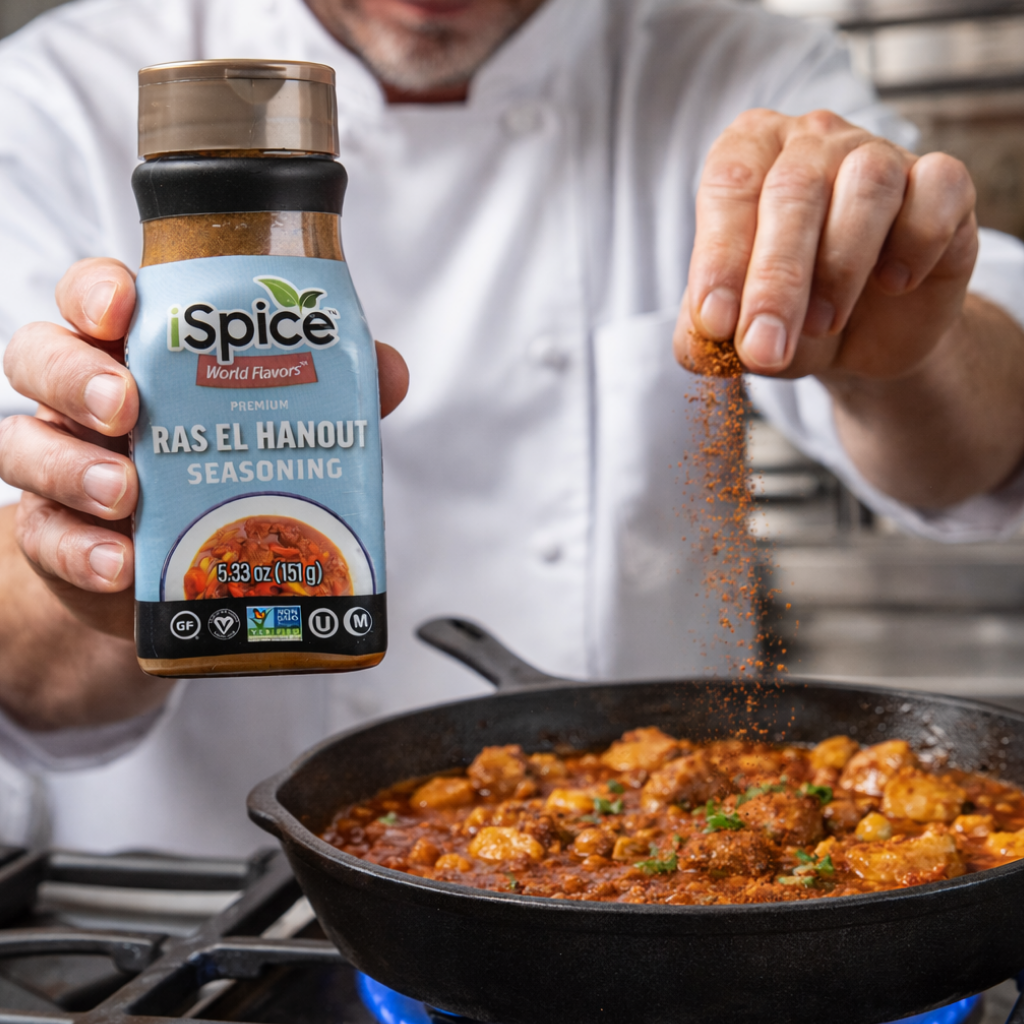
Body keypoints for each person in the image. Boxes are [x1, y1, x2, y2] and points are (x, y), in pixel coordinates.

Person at [1, 0, 1024, 855]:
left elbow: (984, 439)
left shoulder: (733, 62)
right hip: (192, 908)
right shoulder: (54, 97)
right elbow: (27, 672)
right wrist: (99, 570)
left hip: (643, 890)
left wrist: (908, 339)